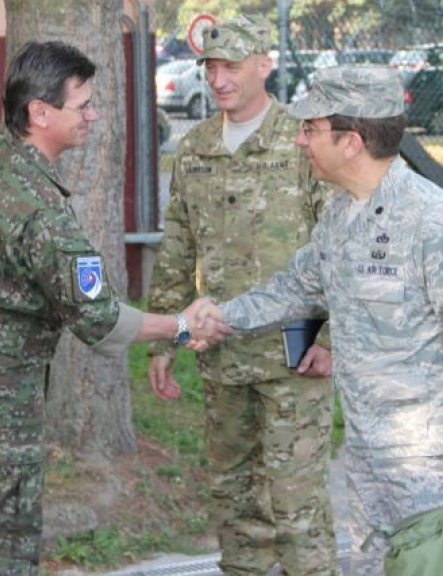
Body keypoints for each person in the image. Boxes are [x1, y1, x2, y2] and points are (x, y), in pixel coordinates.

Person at [197, 66, 443, 575]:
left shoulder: (435, 221)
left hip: (433, 465)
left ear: (351, 142)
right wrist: (217, 316)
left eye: (310, 128)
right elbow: (294, 287)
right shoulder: (341, 216)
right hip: (367, 454)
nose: (300, 140)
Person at [0, 41, 229, 573]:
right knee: (3, 555)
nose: (93, 116)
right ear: (39, 113)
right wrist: (182, 325)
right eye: (82, 105)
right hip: (4, 414)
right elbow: (101, 320)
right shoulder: (41, 211)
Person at [147, 15, 338, 576]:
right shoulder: (196, 148)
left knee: (297, 506)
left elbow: (338, 248)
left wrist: (332, 339)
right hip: (224, 355)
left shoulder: (302, 141)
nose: (218, 80)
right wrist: (164, 341)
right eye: (210, 68)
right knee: (234, 500)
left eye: (231, 66)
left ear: (264, 65)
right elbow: (177, 248)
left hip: (295, 356)